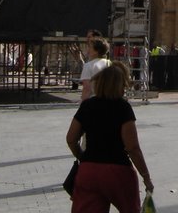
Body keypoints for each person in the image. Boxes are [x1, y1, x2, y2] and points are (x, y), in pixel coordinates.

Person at [65, 62, 154, 213]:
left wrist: (83, 157)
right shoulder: (123, 107)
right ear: (121, 85)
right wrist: (145, 176)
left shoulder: (87, 106)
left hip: (89, 172)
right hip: (118, 171)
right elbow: (132, 147)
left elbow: (71, 139)